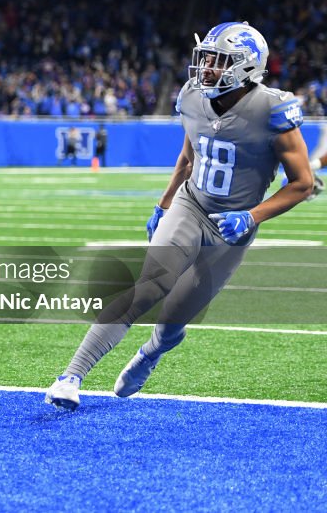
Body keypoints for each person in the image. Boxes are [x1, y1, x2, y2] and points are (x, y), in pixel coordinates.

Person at [45, 22, 313, 410]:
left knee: (172, 320)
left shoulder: (272, 109)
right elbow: (189, 157)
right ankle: (71, 376)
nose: (206, 68)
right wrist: (165, 202)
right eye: (205, 58)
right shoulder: (192, 96)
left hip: (232, 227)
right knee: (148, 287)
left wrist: (252, 216)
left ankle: (152, 352)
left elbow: (303, 183)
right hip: (192, 205)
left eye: (218, 61)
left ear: (246, 66)